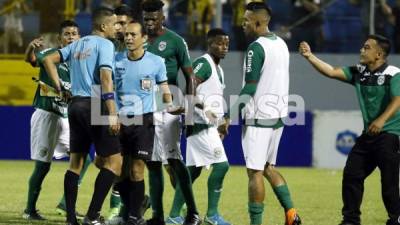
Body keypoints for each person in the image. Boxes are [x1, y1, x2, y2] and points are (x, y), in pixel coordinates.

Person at [300, 35, 400, 225]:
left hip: (390, 134)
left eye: (366, 47)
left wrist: (381, 120)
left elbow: (398, 99)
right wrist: (309, 56)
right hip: (369, 135)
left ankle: (396, 219)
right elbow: (331, 71)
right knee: (352, 174)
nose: (362, 50)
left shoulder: (394, 73)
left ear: (379, 54)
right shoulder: (360, 72)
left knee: (389, 183)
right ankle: (351, 220)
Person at [221, 2, 301, 225]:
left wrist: (228, 116)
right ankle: (292, 214)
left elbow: (250, 88)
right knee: (268, 168)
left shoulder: (256, 48)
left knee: (255, 172)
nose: (242, 24)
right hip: (278, 116)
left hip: (258, 119)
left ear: (258, 22)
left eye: (246, 20)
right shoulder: (282, 44)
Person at [43, 8, 122, 225]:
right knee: (115, 163)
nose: (117, 28)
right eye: (115, 24)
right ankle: (93, 215)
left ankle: (71, 219)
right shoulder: (106, 45)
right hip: (95, 103)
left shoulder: (77, 44)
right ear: (104, 26)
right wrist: (113, 113)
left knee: (75, 163)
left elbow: (48, 59)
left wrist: (59, 87)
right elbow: (106, 79)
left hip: (75, 105)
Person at [114, 20, 183, 225]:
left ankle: (134, 216)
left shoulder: (155, 62)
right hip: (118, 120)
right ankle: (136, 205)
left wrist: (169, 107)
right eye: (126, 34)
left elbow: (164, 88)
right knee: (117, 171)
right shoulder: (116, 59)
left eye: (133, 34)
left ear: (144, 38)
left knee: (136, 169)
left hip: (143, 121)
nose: (128, 38)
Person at [22, 20, 91, 221]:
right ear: (60, 39)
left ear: (79, 38)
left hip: (66, 117)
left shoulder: (80, 62)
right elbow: (32, 60)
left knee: (83, 159)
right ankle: (30, 209)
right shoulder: (51, 54)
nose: (71, 37)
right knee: (43, 166)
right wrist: (29, 49)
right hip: (47, 115)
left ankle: (64, 202)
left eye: (75, 33)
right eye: (67, 34)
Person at [142, 0, 202, 225]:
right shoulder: (137, 40)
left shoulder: (176, 41)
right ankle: (157, 216)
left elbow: (190, 78)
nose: (148, 23)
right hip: (145, 107)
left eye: (153, 19)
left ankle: (193, 213)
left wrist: (189, 112)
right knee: (153, 162)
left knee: (174, 159)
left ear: (162, 18)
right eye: (145, 19)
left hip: (169, 106)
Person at [165, 28, 231, 225]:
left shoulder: (219, 69)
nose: (224, 47)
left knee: (192, 172)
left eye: (226, 44)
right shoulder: (204, 62)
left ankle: (175, 216)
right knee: (222, 166)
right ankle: (212, 215)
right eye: (219, 43)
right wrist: (202, 108)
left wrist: (222, 120)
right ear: (209, 43)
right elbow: (191, 83)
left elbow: (213, 98)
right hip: (200, 124)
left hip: (206, 124)